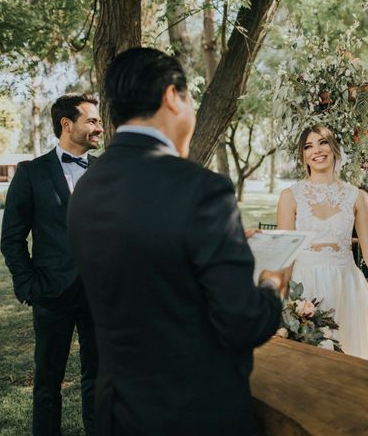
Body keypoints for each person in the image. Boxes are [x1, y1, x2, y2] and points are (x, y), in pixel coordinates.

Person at [66, 47, 288, 436]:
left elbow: (148, 271)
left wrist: (227, 246)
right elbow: (243, 322)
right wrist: (271, 283)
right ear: (172, 96)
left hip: (118, 413)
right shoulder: (201, 190)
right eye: (190, 100)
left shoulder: (87, 188)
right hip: (194, 414)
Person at [0, 94, 102, 435]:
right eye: (91, 121)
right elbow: (12, 238)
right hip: (51, 294)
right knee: (47, 383)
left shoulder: (107, 172)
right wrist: (28, 285)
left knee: (99, 381)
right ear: (66, 124)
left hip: (100, 297)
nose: (99, 127)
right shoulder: (31, 173)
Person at [277, 124, 368, 366]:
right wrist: (276, 304)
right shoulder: (290, 196)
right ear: (303, 156)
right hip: (305, 288)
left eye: (322, 142)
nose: (316, 150)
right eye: (308, 146)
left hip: (348, 288)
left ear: (335, 148)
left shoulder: (356, 196)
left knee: (352, 361)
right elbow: (284, 256)